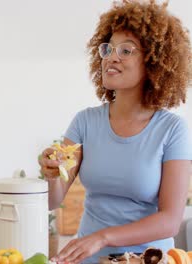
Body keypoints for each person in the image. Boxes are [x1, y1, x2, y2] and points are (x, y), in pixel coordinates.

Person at [38, 1, 192, 263]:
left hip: (148, 258)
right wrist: (51, 175)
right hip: (89, 257)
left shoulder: (172, 130)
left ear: (153, 61)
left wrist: (103, 237)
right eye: (108, 48)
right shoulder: (84, 122)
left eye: (126, 50)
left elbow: (170, 221)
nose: (111, 56)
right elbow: (53, 202)